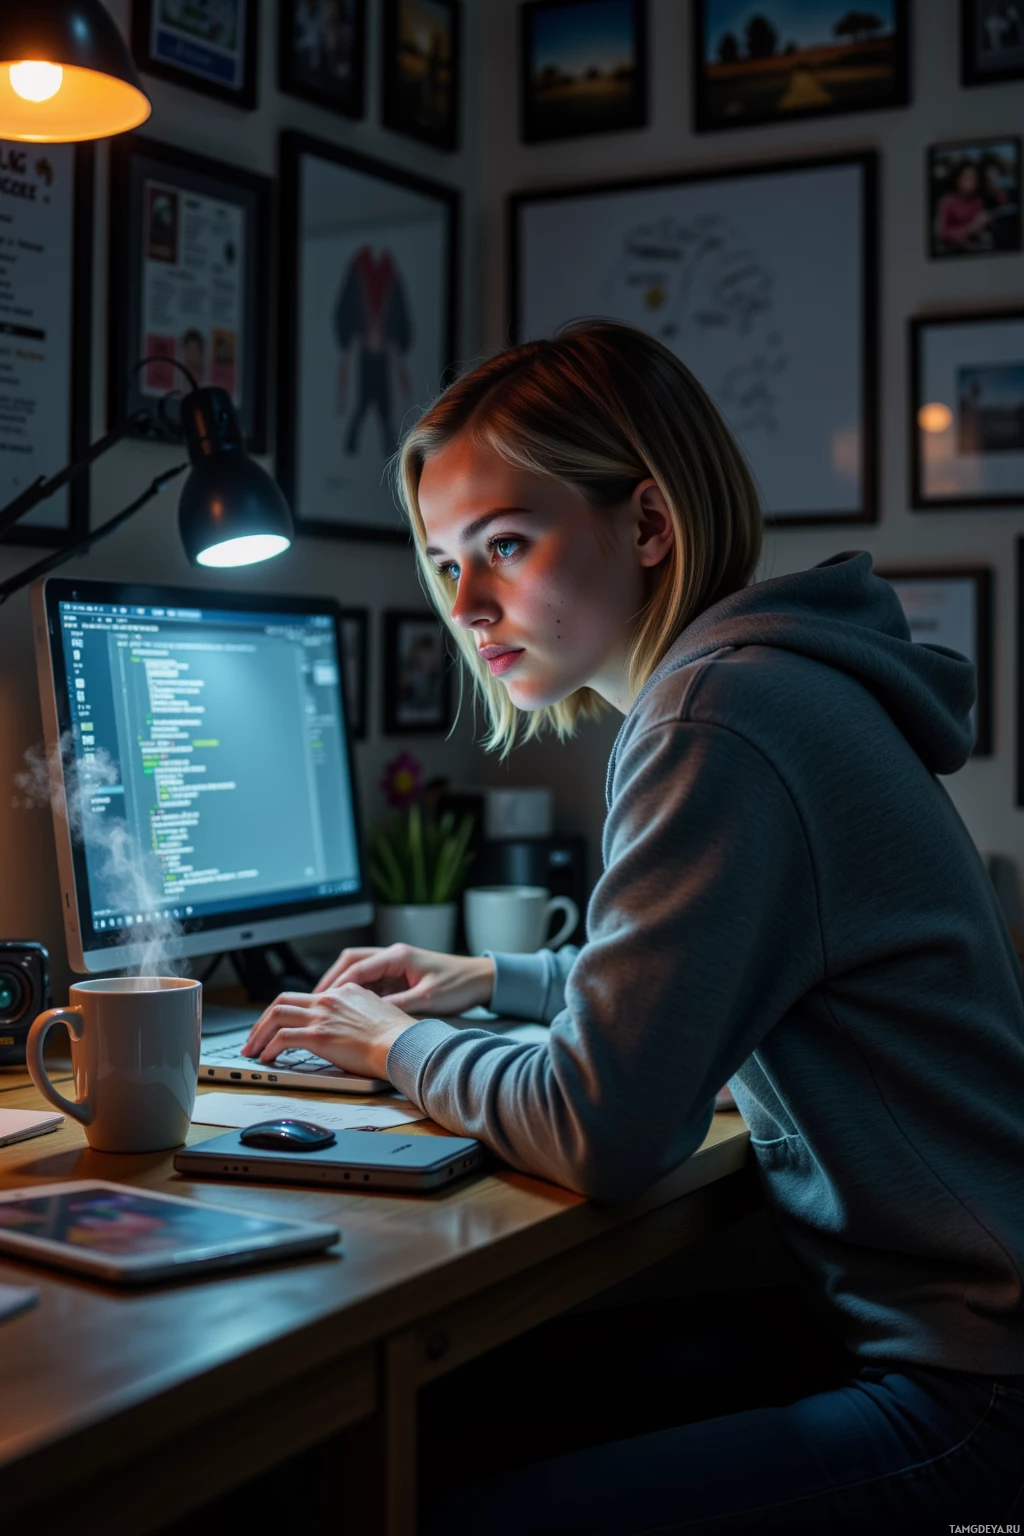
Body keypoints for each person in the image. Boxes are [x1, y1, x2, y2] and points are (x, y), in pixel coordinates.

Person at [241, 320, 1024, 1531]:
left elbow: (601, 1127)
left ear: (648, 524)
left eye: (506, 544)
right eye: (446, 563)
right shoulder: (772, 680)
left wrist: (387, 1046)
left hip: (973, 1397)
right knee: (453, 1421)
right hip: (930, 1335)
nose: (470, 605)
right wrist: (485, 978)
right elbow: (714, 969)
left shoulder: (713, 718)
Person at [933, 161, 992, 254]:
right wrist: (969, 229)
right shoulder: (947, 201)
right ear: (957, 179)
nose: (971, 183)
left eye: (974, 179)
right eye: (967, 178)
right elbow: (942, 233)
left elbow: (978, 231)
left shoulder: (977, 201)